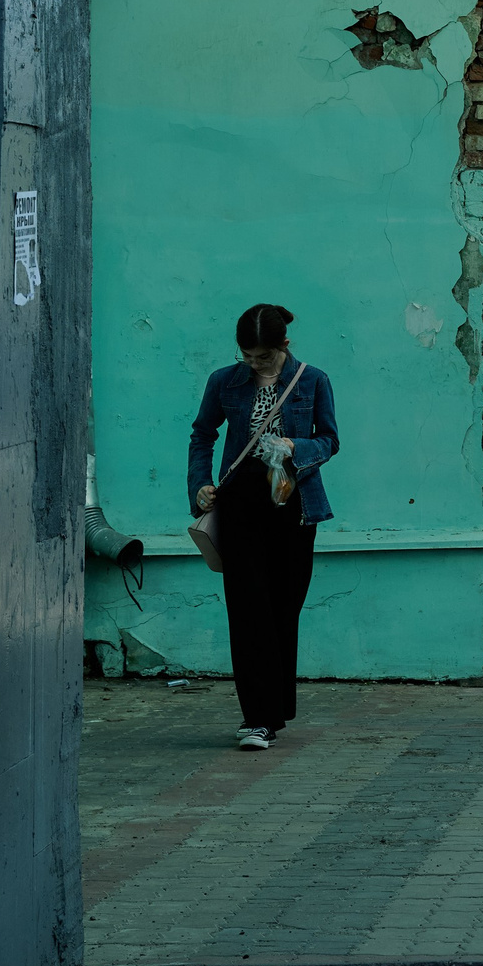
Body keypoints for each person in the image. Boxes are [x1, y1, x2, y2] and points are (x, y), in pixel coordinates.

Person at [189, 304, 339, 751]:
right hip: (240, 504)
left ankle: (274, 710)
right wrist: (200, 485)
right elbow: (202, 434)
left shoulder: (313, 380)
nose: (255, 364)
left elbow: (330, 440)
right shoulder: (224, 381)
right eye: (247, 356)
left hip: (294, 505)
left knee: (283, 608)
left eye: (264, 357)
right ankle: (258, 718)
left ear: (284, 346)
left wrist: (297, 446)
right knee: (247, 609)